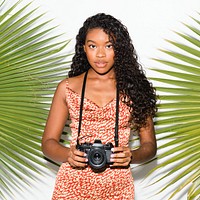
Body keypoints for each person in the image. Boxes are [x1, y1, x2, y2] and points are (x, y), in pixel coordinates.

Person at [42, 13, 157, 200]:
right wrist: (68, 154)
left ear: (119, 49)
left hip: (118, 187)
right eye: (93, 46)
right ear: (84, 48)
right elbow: (48, 143)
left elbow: (150, 146)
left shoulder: (134, 89)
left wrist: (131, 155)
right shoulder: (67, 87)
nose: (100, 54)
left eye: (109, 46)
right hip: (71, 186)